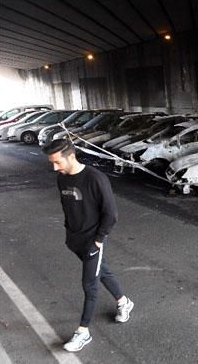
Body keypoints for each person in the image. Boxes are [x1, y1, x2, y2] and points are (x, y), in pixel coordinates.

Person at [42, 139, 134, 352]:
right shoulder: (62, 179)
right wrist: (69, 233)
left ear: (71, 156)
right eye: (52, 163)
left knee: (89, 285)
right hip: (75, 241)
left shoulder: (95, 178)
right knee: (101, 272)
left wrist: (98, 241)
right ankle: (124, 302)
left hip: (93, 241)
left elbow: (111, 215)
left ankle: (83, 332)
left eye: (57, 162)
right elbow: (68, 208)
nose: (55, 168)